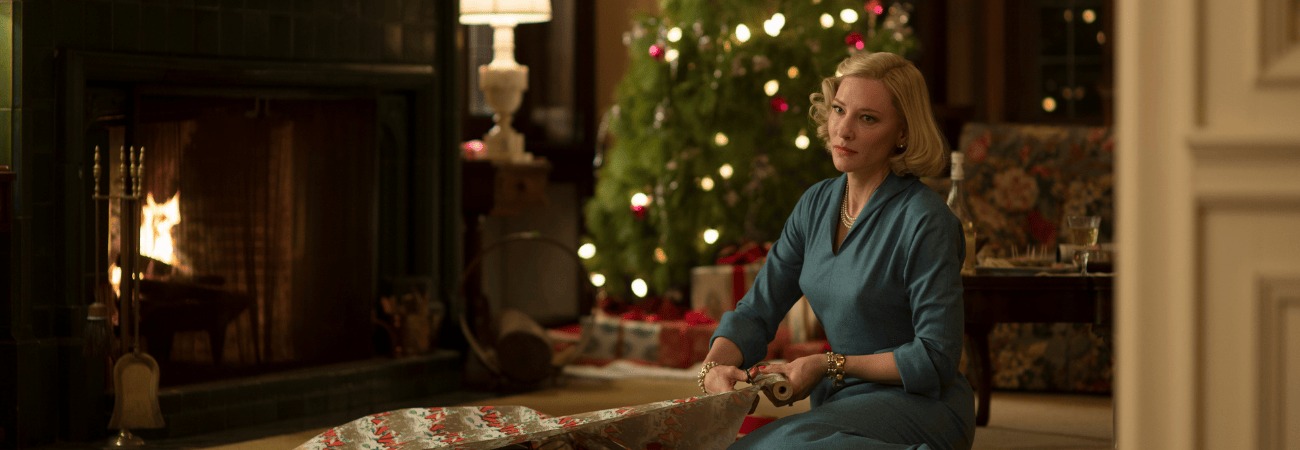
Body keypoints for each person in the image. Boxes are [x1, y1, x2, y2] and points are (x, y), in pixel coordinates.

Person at [699, 51, 975, 449]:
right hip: (842, 402)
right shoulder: (815, 204)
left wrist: (829, 365)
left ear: (902, 133)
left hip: (922, 405)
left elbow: (936, 357)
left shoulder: (926, 220)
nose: (842, 131)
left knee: (772, 446)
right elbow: (757, 312)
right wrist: (714, 367)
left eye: (867, 119)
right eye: (839, 110)